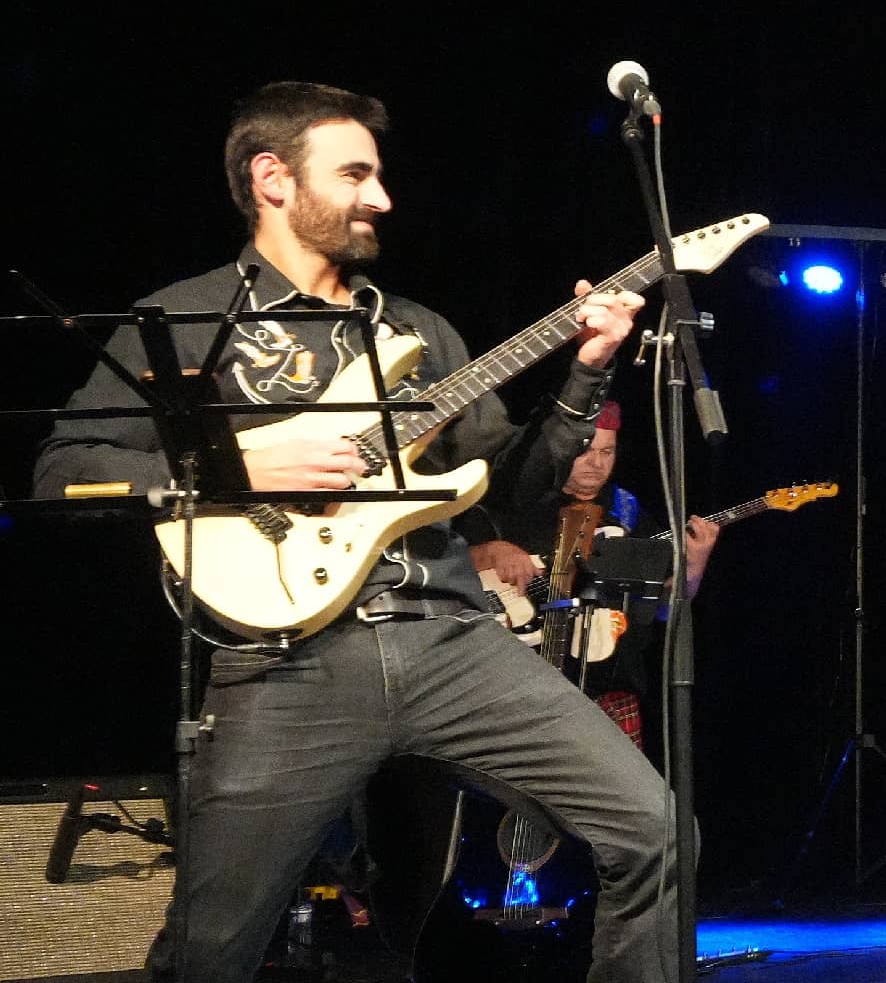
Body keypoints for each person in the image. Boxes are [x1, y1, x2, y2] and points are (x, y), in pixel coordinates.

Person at [33, 81, 679, 982]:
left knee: (654, 828)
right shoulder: (183, 319)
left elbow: (518, 489)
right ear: (272, 177)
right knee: (212, 944)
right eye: (356, 174)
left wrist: (588, 370)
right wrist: (237, 469)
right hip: (285, 660)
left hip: (451, 640)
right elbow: (64, 473)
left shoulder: (417, 330)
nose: (381, 197)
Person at [459, 397, 720, 746]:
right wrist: (492, 550)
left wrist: (695, 562)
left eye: (607, 452)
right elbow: (447, 565)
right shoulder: (511, 500)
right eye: (586, 451)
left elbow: (664, 608)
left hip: (608, 690)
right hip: (517, 685)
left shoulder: (626, 511)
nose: (597, 464)